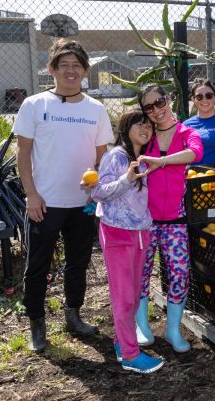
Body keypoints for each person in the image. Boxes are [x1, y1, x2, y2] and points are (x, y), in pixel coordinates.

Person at [13, 38, 114, 353]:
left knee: (78, 261)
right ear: (52, 69)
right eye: (64, 65)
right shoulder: (34, 104)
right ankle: (36, 323)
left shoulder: (96, 109)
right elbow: (23, 153)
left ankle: (73, 314)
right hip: (45, 202)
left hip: (82, 204)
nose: (71, 71)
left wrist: (96, 190)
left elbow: (102, 156)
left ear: (85, 70)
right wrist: (31, 194)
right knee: (37, 264)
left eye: (77, 66)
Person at [90, 111, 164, 374]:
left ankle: (123, 343)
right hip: (118, 232)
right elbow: (97, 192)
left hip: (140, 232)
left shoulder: (140, 159)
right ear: (126, 127)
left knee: (133, 294)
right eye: (139, 123)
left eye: (149, 125)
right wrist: (126, 179)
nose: (146, 128)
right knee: (123, 296)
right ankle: (131, 356)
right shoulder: (115, 156)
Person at [135, 85, 204, 353]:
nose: (156, 110)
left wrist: (161, 162)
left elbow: (195, 153)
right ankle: (142, 324)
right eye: (148, 107)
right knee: (140, 272)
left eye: (159, 102)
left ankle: (173, 329)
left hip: (175, 220)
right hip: (144, 221)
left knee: (179, 272)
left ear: (169, 99)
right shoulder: (145, 135)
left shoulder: (186, 132)